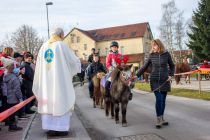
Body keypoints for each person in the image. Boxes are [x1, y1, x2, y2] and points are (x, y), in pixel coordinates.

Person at [32, 27, 81, 136]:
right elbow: (73, 61)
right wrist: (77, 66)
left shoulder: (43, 46)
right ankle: (61, 128)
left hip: (45, 83)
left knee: (49, 101)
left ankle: (50, 128)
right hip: (59, 81)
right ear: (62, 35)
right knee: (61, 100)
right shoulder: (61, 45)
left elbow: (38, 67)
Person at [136, 39, 175, 129]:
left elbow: (172, 66)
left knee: (163, 100)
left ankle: (162, 118)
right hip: (154, 80)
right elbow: (144, 66)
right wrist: (137, 75)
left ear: (159, 45)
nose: (153, 47)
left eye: (155, 45)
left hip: (165, 80)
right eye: (152, 45)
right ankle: (158, 119)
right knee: (159, 99)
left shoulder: (166, 54)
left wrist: (171, 75)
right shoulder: (151, 55)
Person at [1, 58, 23, 131]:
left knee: (10, 113)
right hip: (14, 98)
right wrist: (20, 98)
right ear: (11, 67)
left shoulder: (5, 76)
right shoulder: (14, 78)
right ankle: (13, 126)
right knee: (13, 113)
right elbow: (17, 89)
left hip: (8, 97)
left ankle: (11, 125)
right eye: (14, 66)